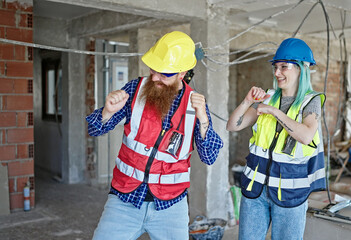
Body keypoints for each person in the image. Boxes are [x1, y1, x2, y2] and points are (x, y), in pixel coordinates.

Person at [86, 31, 223, 240]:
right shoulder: (135, 89)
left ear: (182, 72)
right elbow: (95, 129)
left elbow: (209, 157)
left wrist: (204, 120)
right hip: (124, 198)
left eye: (164, 74)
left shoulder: (195, 105)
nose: (155, 77)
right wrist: (107, 111)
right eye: (153, 70)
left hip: (170, 206)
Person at [227, 38, 326, 240]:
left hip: (290, 193)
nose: (277, 73)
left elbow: (306, 135)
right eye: (276, 67)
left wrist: (274, 112)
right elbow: (233, 125)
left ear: (301, 69)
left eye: (284, 67)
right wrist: (248, 102)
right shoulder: (269, 97)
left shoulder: (311, 101)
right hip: (255, 189)